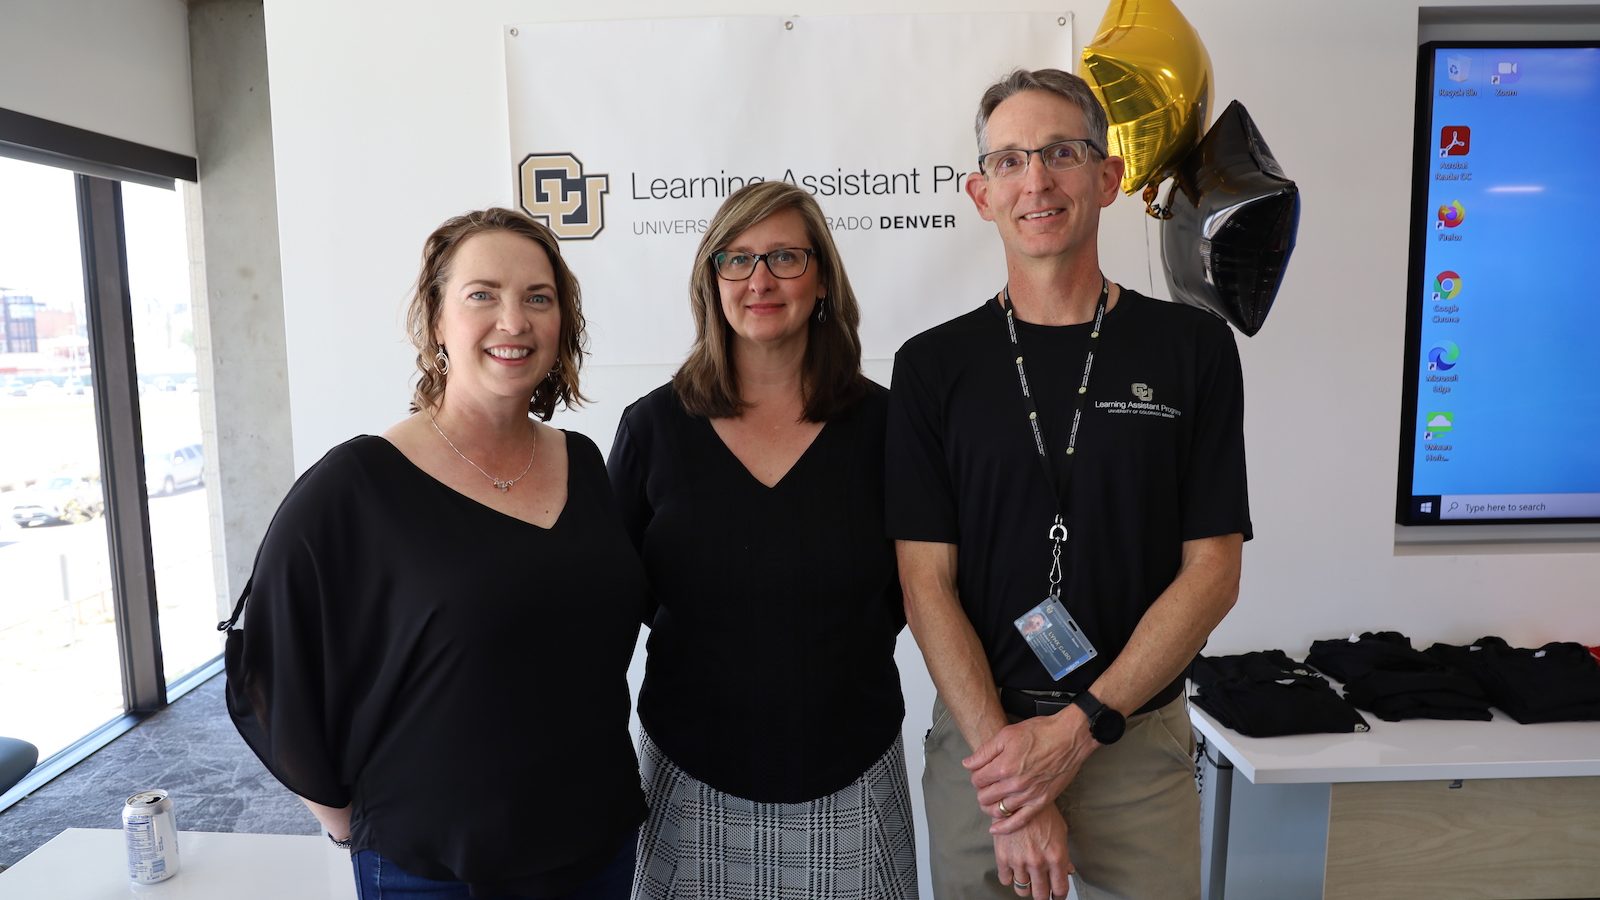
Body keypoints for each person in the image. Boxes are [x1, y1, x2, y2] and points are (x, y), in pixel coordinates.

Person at [887, 68, 1252, 900]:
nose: (1037, 180)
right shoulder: (932, 366)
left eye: (1060, 152)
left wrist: (1078, 732)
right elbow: (923, 583)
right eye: (1010, 161)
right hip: (985, 747)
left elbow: (1213, 573)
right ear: (982, 194)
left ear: (1108, 177)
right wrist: (1016, 780)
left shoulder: (1191, 350)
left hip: (1134, 742)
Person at [222, 208, 646, 899]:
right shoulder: (357, 485)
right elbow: (268, 665)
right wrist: (341, 818)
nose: (514, 321)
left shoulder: (585, 461)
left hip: (594, 844)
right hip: (435, 866)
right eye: (483, 295)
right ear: (436, 319)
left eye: (537, 298)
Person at [608, 180, 918, 899]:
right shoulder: (652, 430)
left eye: (784, 257)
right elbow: (619, 604)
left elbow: (916, 593)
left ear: (823, 281)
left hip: (851, 772)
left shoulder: (889, 428)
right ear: (710, 282)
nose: (760, 280)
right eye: (736, 260)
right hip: (691, 776)